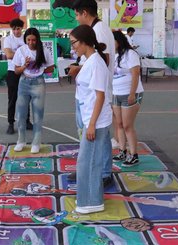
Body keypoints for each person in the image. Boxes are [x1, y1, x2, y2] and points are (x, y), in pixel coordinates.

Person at [67, 0, 115, 186]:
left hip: (97, 93)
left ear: (85, 13)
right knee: (89, 136)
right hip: (90, 94)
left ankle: (103, 173)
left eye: (77, 15)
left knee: (98, 136)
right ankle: (90, 170)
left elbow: (103, 60)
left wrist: (80, 69)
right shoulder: (95, 37)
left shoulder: (99, 31)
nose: (77, 19)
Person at [70, 24, 111, 214]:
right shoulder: (90, 61)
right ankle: (89, 198)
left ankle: (92, 201)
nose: (73, 47)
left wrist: (92, 124)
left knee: (89, 161)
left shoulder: (95, 62)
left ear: (85, 41)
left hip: (96, 121)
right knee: (87, 161)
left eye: (74, 43)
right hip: (90, 118)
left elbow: (100, 96)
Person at [12, 28, 55, 154]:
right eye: (29, 40)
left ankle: (36, 142)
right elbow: (16, 71)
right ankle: (21, 140)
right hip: (24, 82)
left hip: (38, 83)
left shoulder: (44, 50)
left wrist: (40, 69)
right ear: (25, 39)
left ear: (37, 40)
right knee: (20, 114)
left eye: (34, 40)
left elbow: (51, 68)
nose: (31, 42)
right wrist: (25, 65)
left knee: (38, 115)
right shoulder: (21, 50)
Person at [111, 31, 144, 166]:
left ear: (118, 41)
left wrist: (132, 93)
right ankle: (122, 150)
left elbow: (135, 74)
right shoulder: (115, 55)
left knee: (127, 125)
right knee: (119, 124)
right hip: (116, 93)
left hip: (129, 93)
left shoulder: (131, 54)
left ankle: (134, 154)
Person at [3, 18, 32, 135]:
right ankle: (11, 123)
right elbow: (9, 55)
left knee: (26, 97)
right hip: (12, 71)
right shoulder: (8, 40)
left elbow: (31, 53)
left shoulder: (26, 38)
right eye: (14, 29)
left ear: (22, 28)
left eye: (18, 29)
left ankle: (27, 121)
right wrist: (22, 54)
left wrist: (23, 55)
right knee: (12, 99)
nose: (16, 31)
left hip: (25, 71)